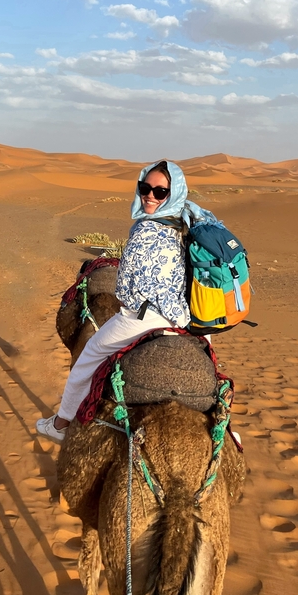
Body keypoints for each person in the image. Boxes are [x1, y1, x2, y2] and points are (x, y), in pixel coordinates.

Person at [36, 159, 216, 443]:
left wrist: (127, 303)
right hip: (189, 320)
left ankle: (60, 424)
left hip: (146, 319)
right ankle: (226, 432)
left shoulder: (144, 229)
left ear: (173, 193)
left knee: (89, 357)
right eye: (145, 188)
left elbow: (127, 289)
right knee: (212, 377)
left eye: (160, 192)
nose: (149, 195)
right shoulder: (190, 221)